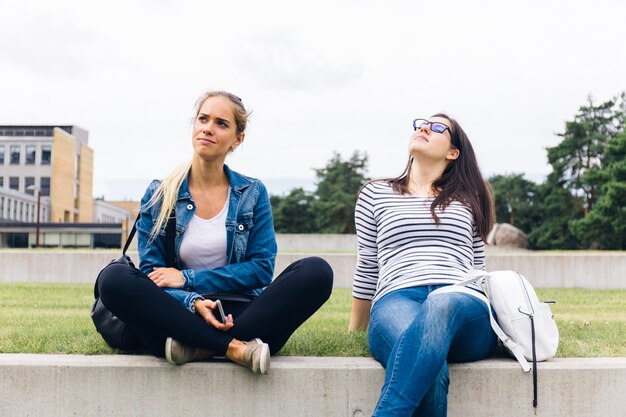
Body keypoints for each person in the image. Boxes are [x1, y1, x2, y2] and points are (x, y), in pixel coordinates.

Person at [98, 91, 333, 375]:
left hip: (238, 313)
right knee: (112, 278)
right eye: (203, 119)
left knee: (316, 271)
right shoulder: (160, 193)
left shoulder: (251, 193)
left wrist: (188, 277)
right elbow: (153, 274)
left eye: (221, 123)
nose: (208, 128)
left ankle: (198, 346)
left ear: (238, 139)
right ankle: (236, 348)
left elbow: (260, 270)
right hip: (177, 311)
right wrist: (193, 301)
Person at [349, 114, 497, 416]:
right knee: (431, 369)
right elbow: (367, 265)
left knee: (440, 304)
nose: (424, 128)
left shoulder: (469, 197)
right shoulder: (374, 193)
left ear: (453, 152)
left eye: (439, 127)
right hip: (397, 298)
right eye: (420, 124)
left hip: (462, 303)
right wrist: (355, 330)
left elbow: (477, 266)